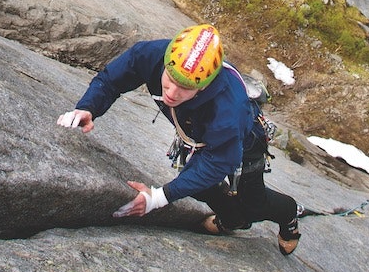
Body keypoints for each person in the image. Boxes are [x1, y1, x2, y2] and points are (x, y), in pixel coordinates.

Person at [57, 24, 302, 255]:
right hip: (197, 133)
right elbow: (112, 80)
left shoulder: (228, 109)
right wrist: (88, 107)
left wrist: (158, 198)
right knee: (201, 188)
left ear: (204, 87)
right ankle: (233, 219)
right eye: (170, 80)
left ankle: (289, 216)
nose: (171, 94)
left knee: (254, 203)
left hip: (245, 142)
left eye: (184, 88)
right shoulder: (152, 54)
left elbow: (218, 162)